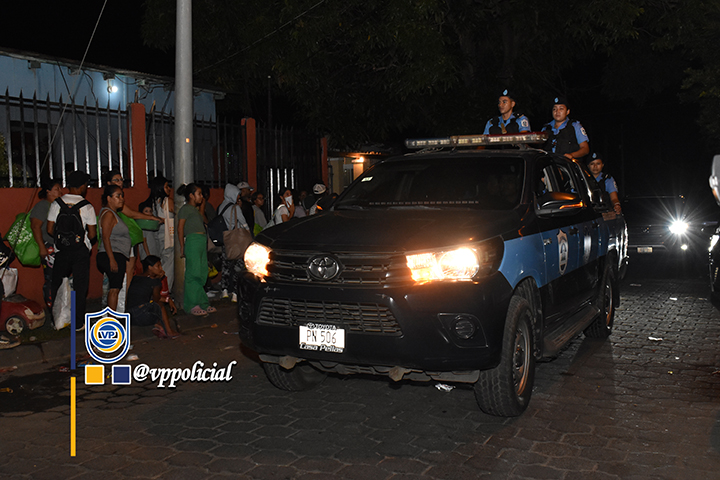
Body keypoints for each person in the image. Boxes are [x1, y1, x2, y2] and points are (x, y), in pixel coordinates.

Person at [47, 170, 97, 330]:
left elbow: (49, 229)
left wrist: (63, 239)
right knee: (80, 286)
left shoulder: (56, 204)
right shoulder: (87, 206)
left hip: (61, 250)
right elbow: (92, 234)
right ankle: (78, 323)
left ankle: (56, 320)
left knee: (57, 284)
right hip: (80, 251)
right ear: (82, 186)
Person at [177, 183, 216, 316]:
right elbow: (180, 228)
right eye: (199, 194)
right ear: (191, 196)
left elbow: (204, 219)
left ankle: (203, 303)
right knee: (193, 273)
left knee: (202, 273)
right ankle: (192, 305)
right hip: (193, 241)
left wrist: (202, 204)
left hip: (201, 241)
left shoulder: (195, 210)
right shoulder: (185, 209)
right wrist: (182, 246)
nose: (201, 196)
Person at [125, 255, 179, 338]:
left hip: (130, 316)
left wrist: (168, 300)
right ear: (150, 267)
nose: (161, 268)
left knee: (151, 305)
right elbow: (156, 299)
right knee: (159, 305)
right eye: (158, 266)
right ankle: (168, 331)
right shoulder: (154, 282)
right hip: (141, 316)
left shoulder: (136, 277)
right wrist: (159, 280)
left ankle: (159, 326)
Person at [96, 185, 132, 311]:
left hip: (116, 254)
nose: (121, 199)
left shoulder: (113, 213)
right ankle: (111, 319)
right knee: (114, 289)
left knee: (114, 288)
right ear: (109, 198)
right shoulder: (109, 214)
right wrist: (112, 259)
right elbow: (105, 237)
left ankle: (111, 316)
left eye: (122, 196)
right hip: (113, 254)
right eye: (118, 196)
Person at [30, 178, 63, 308]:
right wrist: (42, 247)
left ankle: (60, 308)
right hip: (48, 246)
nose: (60, 192)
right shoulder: (43, 206)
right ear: (48, 191)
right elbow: (35, 226)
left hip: (58, 246)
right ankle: (52, 307)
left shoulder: (57, 205)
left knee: (60, 277)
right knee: (51, 278)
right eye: (57, 189)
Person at [217, 184, 250, 303]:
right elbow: (243, 222)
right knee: (238, 267)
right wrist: (248, 233)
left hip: (226, 240)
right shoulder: (235, 208)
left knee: (226, 266)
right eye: (237, 195)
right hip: (236, 241)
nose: (238, 197)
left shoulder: (221, 206)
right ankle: (235, 293)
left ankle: (224, 290)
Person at [145, 176, 175, 290]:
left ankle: (159, 289)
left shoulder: (154, 202)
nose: (169, 189)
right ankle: (165, 289)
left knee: (162, 264)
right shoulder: (168, 201)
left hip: (159, 237)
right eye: (166, 186)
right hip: (169, 237)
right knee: (169, 266)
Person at [541, 96, 590, 161]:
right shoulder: (546, 128)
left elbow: (585, 149)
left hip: (569, 165)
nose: (557, 111)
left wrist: (572, 155)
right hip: (549, 165)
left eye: (561, 109)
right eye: (554, 109)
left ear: (567, 112)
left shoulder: (575, 126)